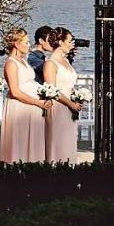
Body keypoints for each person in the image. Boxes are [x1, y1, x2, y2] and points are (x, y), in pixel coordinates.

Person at [0, 28, 51, 164]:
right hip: (20, 107)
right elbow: (15, 91)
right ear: (17, 44)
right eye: (26, 43)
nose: (29, 46)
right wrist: (37, 102)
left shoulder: (24, 61)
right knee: (20, 142)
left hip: (31, 107)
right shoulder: (11, 63)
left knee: (32, 141)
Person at [44, 27, 81, 163]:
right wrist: (71, 104)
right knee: (58, 143)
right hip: (58, 107)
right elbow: (52, 90)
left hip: (70, 109)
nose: (73, 43)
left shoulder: (65, 61)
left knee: (69, 143)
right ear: (60, 42)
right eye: (70, 40)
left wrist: (77, 98)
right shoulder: (50, 63)